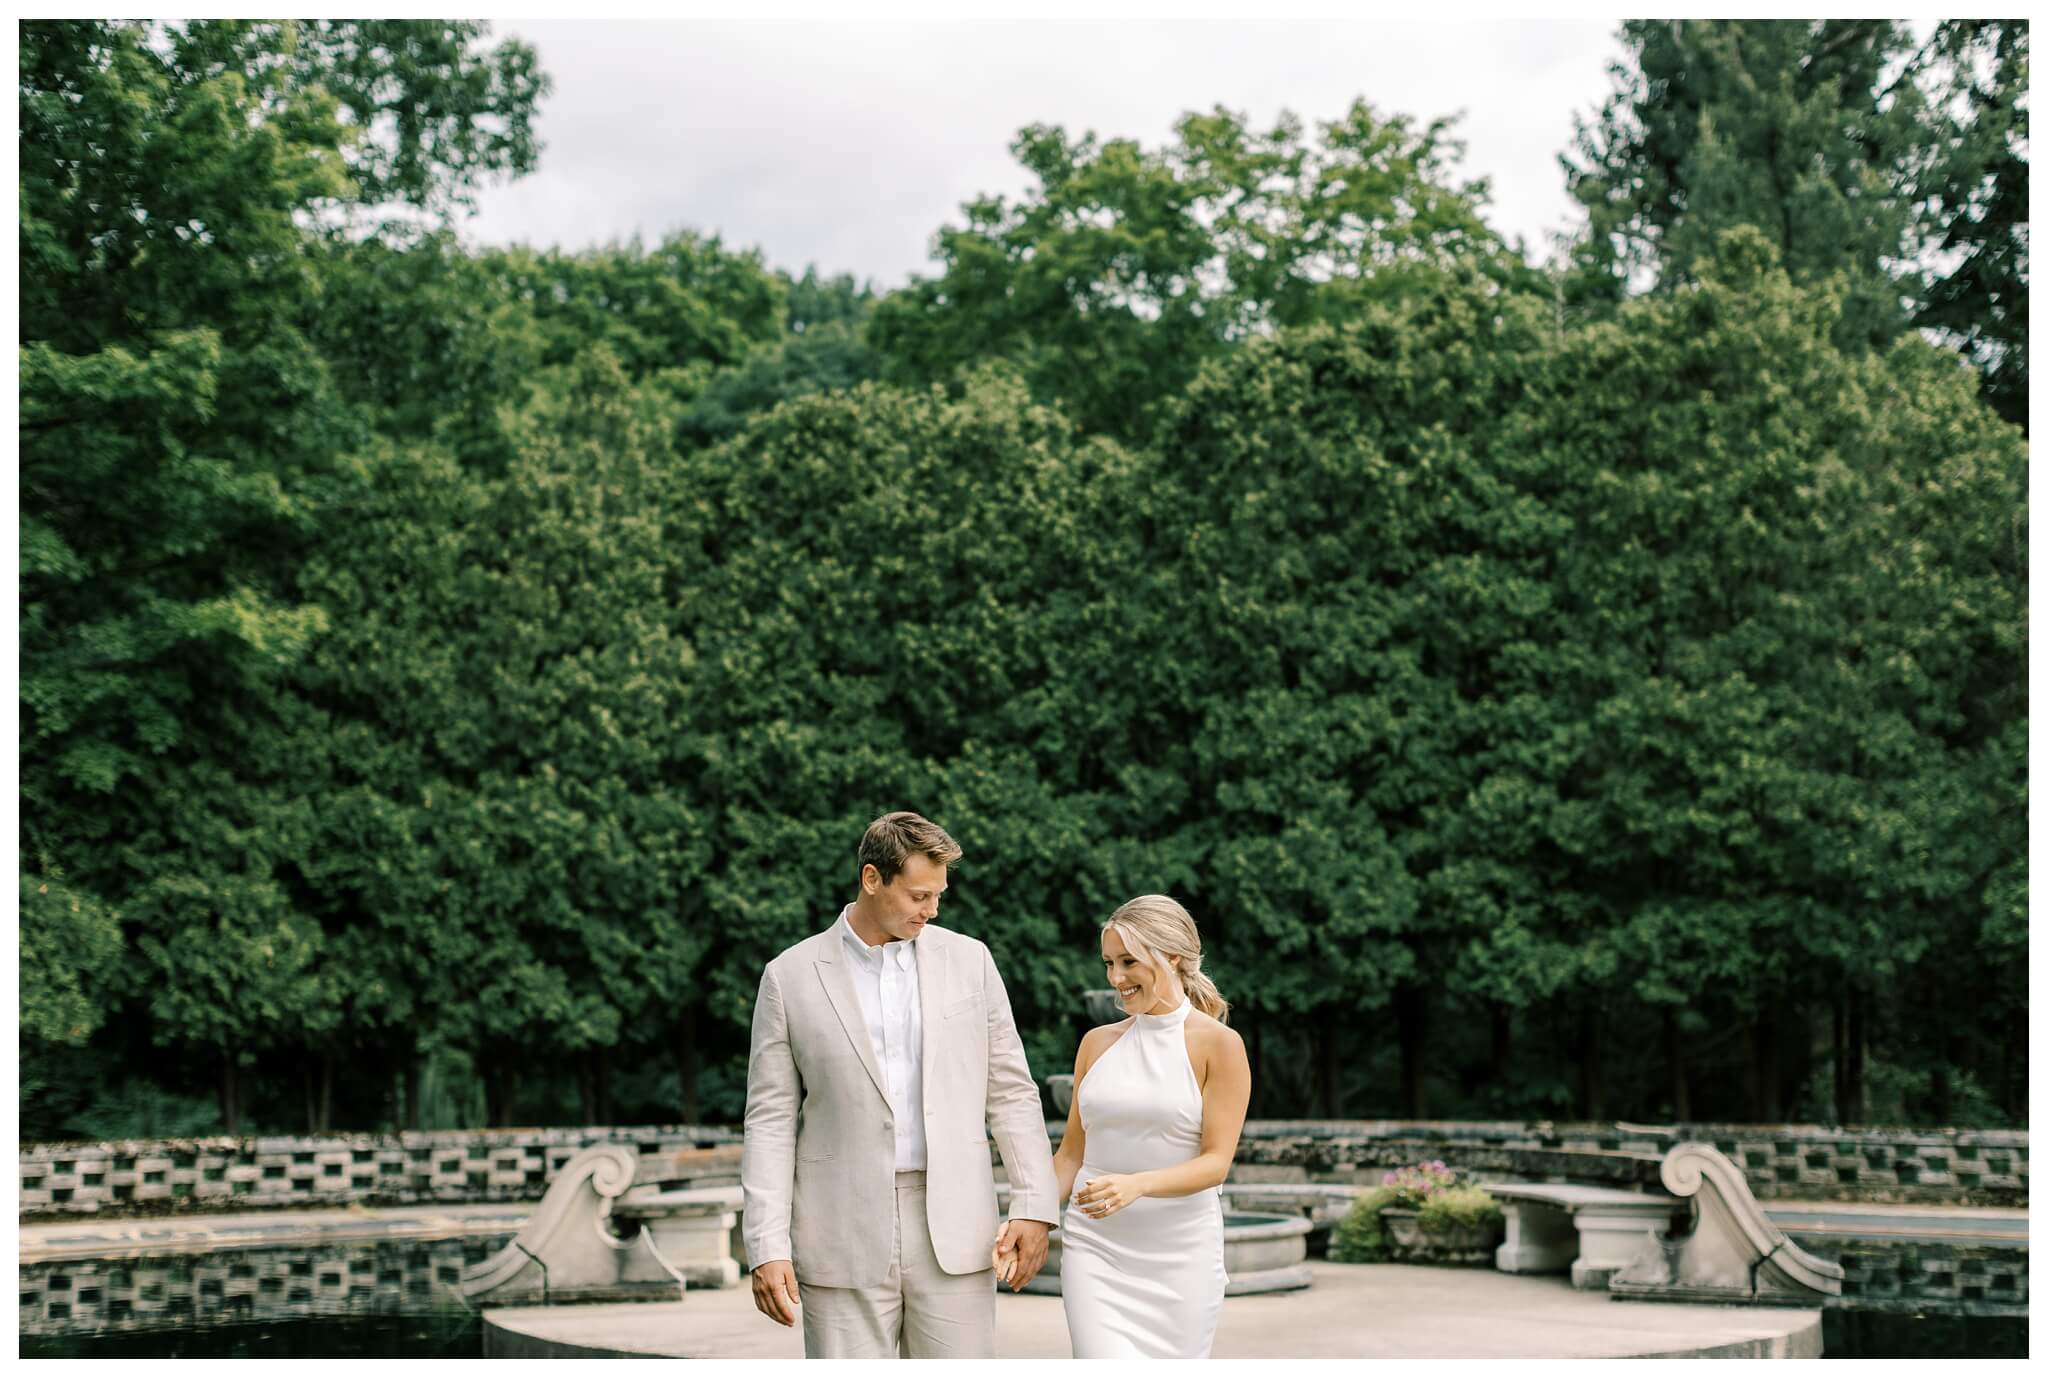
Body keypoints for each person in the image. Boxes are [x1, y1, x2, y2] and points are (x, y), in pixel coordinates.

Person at [740, 810, 1059, 1359]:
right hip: (837, 1228)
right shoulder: (788, 976)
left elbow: (1010, 1090)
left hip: (955, 1224)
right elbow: (769, 1121)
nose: (931, 910)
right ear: (871, 879)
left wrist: (1034, 1205)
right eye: (918, 896)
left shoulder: (971, 961)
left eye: (938, 895)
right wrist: (765, 1244)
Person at [1030, 894, 1251, 1358]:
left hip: (1181, 1258)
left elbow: (1216, 1163)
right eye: (1109, 962)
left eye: (1129, 961)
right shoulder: (1095, 1043)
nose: (1115, 978)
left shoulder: (1220, 1045)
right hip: (1097, 1249)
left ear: (1172, 957)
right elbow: (1071, 1154)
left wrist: (1137, 1185)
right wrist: (1030, 1217)